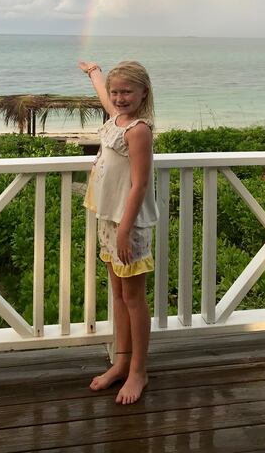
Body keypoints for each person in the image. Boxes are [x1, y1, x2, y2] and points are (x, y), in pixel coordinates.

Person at [77, 59, 159, 405]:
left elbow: (140, 185)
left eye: (127, 91)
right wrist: (95, 73)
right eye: (116, 92)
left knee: (134, 299)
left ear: (143, 93)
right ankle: (121, 362)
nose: (120, 97)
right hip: (109, 221)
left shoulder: (138, 130)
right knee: (119, 296)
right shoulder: (115, 119)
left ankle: (139, 370)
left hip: (128, 225)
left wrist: (125, 230)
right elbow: (104, 96)